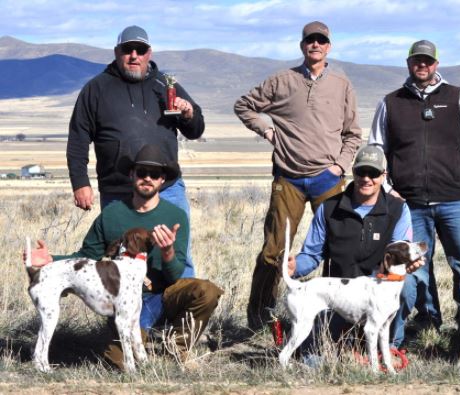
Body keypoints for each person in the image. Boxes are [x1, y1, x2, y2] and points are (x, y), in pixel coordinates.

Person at [28, 145, 222, 370]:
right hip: (125, 301)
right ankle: (143, 341)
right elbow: (85, 257)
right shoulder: (112, 214)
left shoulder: (175, 215)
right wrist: (51, 258)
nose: (147, 178)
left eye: (155, 174)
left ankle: (177, 347)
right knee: (118, 360)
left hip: (165, 294)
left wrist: (167, 251)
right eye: (141, 172)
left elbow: (176, 275)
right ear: (132, 174)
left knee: (206, 291)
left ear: (163, 180)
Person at [234, 21, 362, 330]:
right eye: (310, 41)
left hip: (328, 179)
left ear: (328, 46)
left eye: (321, 41)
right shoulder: (282, 81)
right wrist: (265, 128)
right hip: (288, 178)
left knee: (337, 247)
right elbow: (244, 106)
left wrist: (340, 166)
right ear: (302, 45)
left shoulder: (342, 84)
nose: (315, 45)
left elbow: (353, 134)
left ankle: (337, 318)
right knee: (274, 250)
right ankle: (260, 318)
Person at [369, 39, 460, 347]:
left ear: (436, 64)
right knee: (417, 264)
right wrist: (387, 190)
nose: (422, 65)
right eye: (417, 60)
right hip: (409, 202)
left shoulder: (457, 98)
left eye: (428, 60)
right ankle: (428, 319)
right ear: (409, 63)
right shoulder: (391, 102)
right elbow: (376, 150)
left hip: (454, 197)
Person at [67, 25, 204, 277]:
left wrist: (189, 114)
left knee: (176, 253)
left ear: (149, 53)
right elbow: (78, 137)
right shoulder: (96, 89)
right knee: (118, 256)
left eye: (139, 50)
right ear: (116, 52)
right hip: (117, 190)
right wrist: (80, 182)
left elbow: (195, 130)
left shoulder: (166, 84)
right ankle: (125, 313)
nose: (133, 55)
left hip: (166, 189)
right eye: (127, 49)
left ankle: (181, 310)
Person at [286, 145, 421, 360]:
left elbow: (399, 250)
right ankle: (342, 344)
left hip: (378, 291)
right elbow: (311, 255)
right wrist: (294, 267)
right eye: (361, 172)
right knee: (313, 362)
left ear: (383, 176)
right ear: (353, 172)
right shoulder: (329, 208)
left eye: (374, 173)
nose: (367, 178)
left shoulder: (398, 209)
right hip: (341, 298)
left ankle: (388, 346)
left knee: (408, 286)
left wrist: (409, 263)